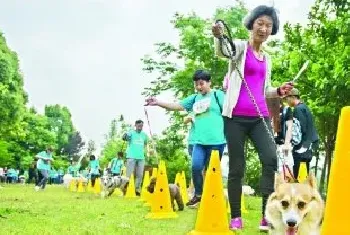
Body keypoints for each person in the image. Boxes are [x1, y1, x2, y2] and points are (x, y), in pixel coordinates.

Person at [212, 5, 293, 231]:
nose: (264, 29)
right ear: (251, 24)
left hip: (260, 117)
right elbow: (223, 51)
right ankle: (236, 216)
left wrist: (278, 92)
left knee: (270, 160)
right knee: (237, 167)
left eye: (268, 25)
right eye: (260, 24)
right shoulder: (239, 47)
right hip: (235, 118)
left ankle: (266, 215)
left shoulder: (267, 58)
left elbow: (264, 89)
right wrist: (218, 36)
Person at [145, 69, 226, 208]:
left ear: (209, 82)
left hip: (217, 141)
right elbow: (176, 106)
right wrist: (158, 102)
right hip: (199, 141)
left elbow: (230, 110)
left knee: (212, 172)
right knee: (195, 167)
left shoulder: (218, 95)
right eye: (196, 85)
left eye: (201, 84)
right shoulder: (194, 98)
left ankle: (213, 198)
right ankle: (198, 194)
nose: (199, 87)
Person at [284, 88, 319, 179]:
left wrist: (291, 142)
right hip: (308, 145)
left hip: (301, 147)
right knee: (304, 175)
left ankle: (299, 192)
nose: (286, 101)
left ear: (292, 97)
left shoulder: (298, 109)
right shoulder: (305, 107)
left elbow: (299, 130)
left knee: (298, 175)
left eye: (287, 98)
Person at [123, 120, 149, 196]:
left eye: (141, 126)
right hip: (131, 156)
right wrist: (125, 135)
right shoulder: (131, 133)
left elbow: (146, 144)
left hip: (141, 157)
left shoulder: (144, 135)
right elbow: (124, 138)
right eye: (139, 126)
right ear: (135, 125)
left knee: (140, 174)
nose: (140, 127)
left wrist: (148, 152)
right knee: (129, 174)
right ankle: (126, 189)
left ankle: (137, 190)